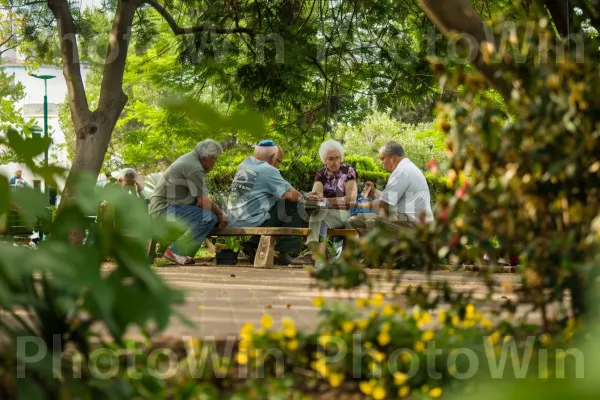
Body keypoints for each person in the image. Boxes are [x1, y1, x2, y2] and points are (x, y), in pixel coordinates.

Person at [149, 139, 227, 265]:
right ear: (209, 157)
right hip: (164, 211)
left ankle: (177, 251)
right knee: (208, 218)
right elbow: (204, 202)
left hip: (164, 209)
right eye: (215, 159)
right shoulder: (193, 167)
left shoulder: (190, 160)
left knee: (207, 215)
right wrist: (220, 214)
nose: (214, 163)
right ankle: (176, 251)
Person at [227, 140, 304, 265]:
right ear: (273, 157)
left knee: (279, 205)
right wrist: (304, 195)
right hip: (252, 221)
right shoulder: (268, 170)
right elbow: (296, 197)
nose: (279, 166)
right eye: (279, 161)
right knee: (297, 205)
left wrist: (281, 196)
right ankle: (282, 252)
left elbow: (259, 195)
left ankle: (254, 244)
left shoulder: (244, 165)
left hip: (234, 219)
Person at [348, 141, 433, 231]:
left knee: (373, 222)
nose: (381, 162)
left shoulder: (401, 172)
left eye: (382, 159)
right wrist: (374, 192)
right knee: (355, 220)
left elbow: (383, 205)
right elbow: (390, 198)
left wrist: (357, 205)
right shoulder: (405, 167)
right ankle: (364, 244)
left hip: (415, 222)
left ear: (391, 157)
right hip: (406, 218)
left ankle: (373, 244)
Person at [305, 140, 357, 258]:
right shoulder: (321, 173)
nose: (334, 162)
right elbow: (317, 194)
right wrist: (313, 197)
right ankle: (319, 254)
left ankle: (315, 253)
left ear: (341, 158)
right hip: (325, 212)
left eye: (337, 158)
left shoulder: (348, 171)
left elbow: (350, 199)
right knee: (317, 214)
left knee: (320, 215)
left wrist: (326, 200)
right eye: (330, 159)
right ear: (324, 161)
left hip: (344, 212)